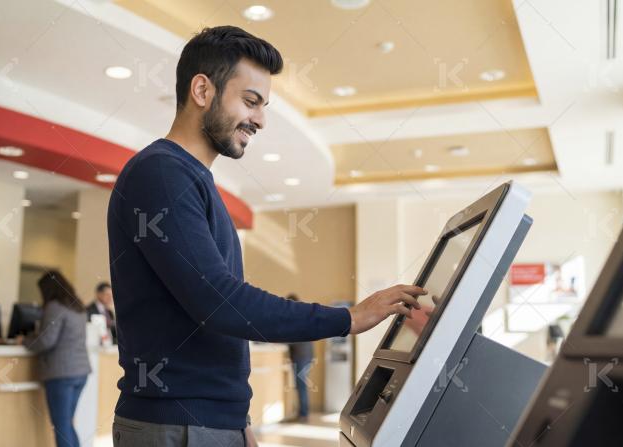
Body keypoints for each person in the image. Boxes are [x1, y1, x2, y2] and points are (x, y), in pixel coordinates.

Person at [107, 26, 425, 447]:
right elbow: (219, 302)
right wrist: (347, 318)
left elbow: (212, 317)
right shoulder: (162, 174)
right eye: (251, 101)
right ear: (202, 90)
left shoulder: (192, 181)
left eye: (264, 106)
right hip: (179, 427)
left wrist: (238, 421)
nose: (260, 119)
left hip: (207, 422)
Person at [24, 271, 92, 447]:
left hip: (61, 373)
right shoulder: (77, 306)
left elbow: (46, 341)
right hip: (80, 372)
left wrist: (26, 340)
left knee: (62, 426)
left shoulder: (54, 306)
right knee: (67, 424)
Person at [286, 294, 314, 421]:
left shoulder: (296, 317)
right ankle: (302, 413)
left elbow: (294, 338)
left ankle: (303, 414)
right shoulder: (302, 315)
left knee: (301, 386)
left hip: (301, 356)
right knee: (300, 385)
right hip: (305, 356)